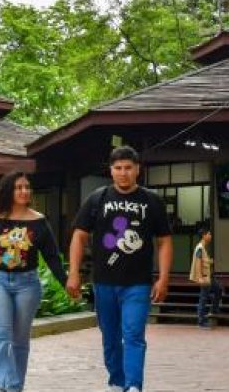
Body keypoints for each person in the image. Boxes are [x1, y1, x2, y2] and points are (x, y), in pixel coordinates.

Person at [68, 146, 172, 392]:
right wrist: (74, 272)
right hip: (104, 281)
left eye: (128, 168)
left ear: (138, 170)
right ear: (111, 170)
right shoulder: (98, 198)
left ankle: (133, 385)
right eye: (118, 168)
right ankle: (117, 381)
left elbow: (164, 241)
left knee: (133, 334)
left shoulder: (151, 201)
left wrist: (163, 278)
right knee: (110, 336)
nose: (123, 173)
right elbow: (79, 236)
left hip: (138, 283)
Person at [0, 171, 69, 392]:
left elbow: (52, 256)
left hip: (27, 285)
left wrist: (66, 283)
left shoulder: (39, 221)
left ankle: (14, 386)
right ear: (8, 191)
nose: (24, 191)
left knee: (20, 339)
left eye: (27, 187)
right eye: (18, 187)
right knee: (0, 335)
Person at [188, 227, 221, 328]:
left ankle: (213, 310)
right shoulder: (199, 248)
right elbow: (198, 262)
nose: (210, 236)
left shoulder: (203, 247)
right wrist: (200, 277)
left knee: (218, 289)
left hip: (209, 276)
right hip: (204, 277)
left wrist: (209, 261)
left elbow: (203, 261)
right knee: (203, 297)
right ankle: (201, 321)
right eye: (209, 234)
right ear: (204, 236)